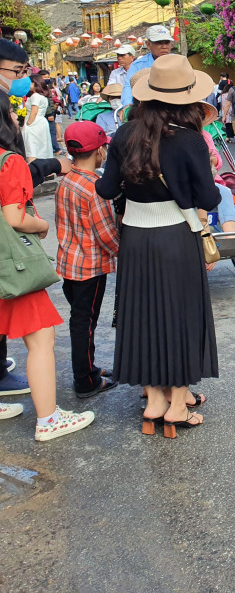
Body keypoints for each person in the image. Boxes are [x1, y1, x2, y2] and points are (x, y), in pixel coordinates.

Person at [95, 54, 219, 437]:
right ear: (187, 98)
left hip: (135, 238)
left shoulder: (125, 134)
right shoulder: (189, 140)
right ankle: (177, 406)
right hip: (176, 237)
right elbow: (209, 198)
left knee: (143, 316)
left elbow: (104, 188)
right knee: (181, 317)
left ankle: (153, 401)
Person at [0, 92, 96, 437]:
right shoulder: (7, 162)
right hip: (11, 265)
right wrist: (40, 225)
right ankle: (48, 418)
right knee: (41, 339)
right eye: (11, 111)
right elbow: (14, 217)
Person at [56, 122, 119, 398]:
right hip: (90, 266)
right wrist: (125, 252)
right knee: (85, 323)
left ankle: (89, 368)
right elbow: (105, 233)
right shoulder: (95, 187)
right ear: (99, 151)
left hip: (69, 263)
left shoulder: (67, 180)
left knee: (81, 320)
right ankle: (86, 379)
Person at [119, 25, 174, 107]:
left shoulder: (180, 62)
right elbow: (128, 87)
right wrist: (127, 105)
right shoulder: (138, 65)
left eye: (167, 43)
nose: (164, 47)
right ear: (148, 45)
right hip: (148, 108)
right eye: (159, 43)